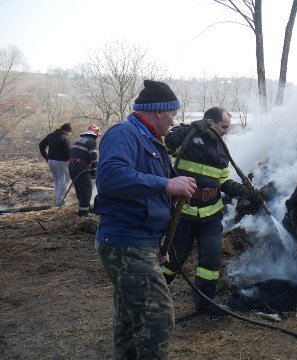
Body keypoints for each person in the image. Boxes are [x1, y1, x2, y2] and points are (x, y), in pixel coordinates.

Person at [94, 80, 197, 359]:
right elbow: (110, 177)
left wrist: (155, 248)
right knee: (157, 318)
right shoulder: (125, 133)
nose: (174, 121)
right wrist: (166, 184)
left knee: (129, 317)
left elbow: (148, 197)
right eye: (173, 115)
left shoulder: (150, 140)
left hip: (140, 242)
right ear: (160, 112)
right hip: (127, 240)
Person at [161, 107, 262, 314]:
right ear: (209, 122)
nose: (226, 131)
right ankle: (155, 294)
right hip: (183, 212)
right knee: (174, 259)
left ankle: (205, 304)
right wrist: (190, 127)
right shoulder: (186, 137)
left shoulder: (221, 149)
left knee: (211, 262)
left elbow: (223, 180)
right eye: (223, 126)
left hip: (211, 215)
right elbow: (166, 144)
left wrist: (244, 192)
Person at [69, 125, 101, 216]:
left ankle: (84, 206)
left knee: (79, 188)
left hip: (72, 167)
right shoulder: (91, 141)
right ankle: (83, 212)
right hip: (80, 167)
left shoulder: (78, 140)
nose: (96, 137)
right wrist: (95, 171)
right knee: (86, 189)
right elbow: (93, 158)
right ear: (94, 134)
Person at [39, 123, 72, 206]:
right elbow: (68, 152)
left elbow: (41, 145)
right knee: (64, 182)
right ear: (65, 131)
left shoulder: (50, 135)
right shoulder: (65, 138)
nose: (69, 134)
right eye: (69, 132)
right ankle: (60, 201)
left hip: (51, 161)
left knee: (57, 182)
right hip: (61, 162)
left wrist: (46, 157)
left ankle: (58, 200)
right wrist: (70, 162)